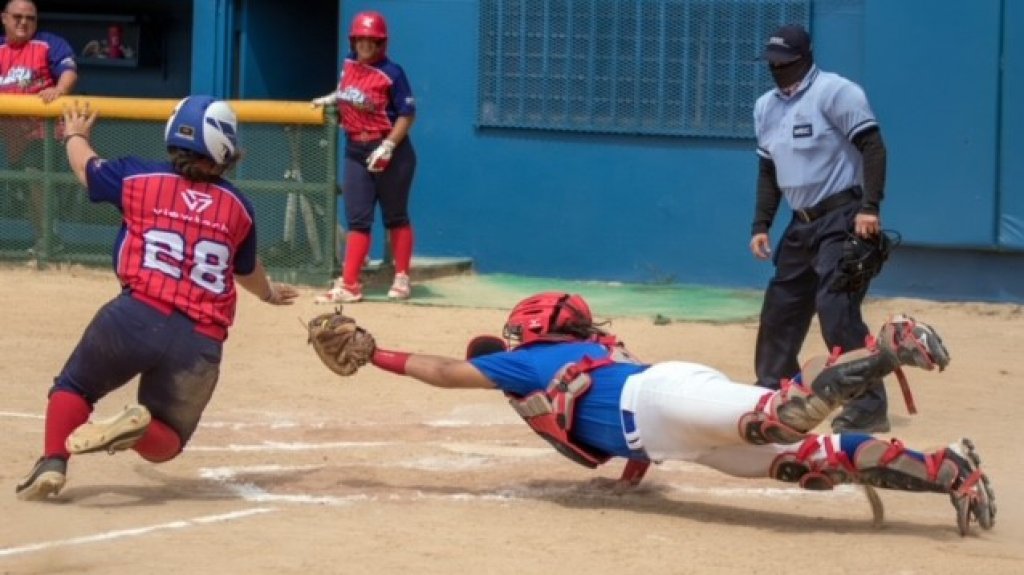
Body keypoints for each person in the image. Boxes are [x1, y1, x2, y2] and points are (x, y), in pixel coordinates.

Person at [322, 292, 995, 535]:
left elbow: (444, 371)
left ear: (533, 330)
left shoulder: (527, 362)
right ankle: (949, 471)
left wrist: (377, 353)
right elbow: (610, 426)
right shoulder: (579, 354)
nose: (508, 346)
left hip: (663, 398)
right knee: (804, 462)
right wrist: (633, 471)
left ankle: (887, 344)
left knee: (780, 416)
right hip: (672, 434)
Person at [14, 96, 300, 501]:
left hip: (135, 315)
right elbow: (245, 270)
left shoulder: (137, 176)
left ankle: (53, 462)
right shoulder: (240, 208)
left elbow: (85, 168)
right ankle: (139, 431)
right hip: (200, 340)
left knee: (74, 387)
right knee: (169, 439)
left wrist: (75, 135)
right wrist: (268, 293)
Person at [749, 24, 892, 433]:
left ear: (805, 58)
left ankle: (868, 405)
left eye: (785, 63)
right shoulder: (765, 107)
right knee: (781, 308)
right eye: (772, 63)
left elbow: (873, 147)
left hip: (842, 216)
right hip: (801, 222)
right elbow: (768, 170)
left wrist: (870, 207)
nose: (777, 70)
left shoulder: (836, 93)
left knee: (836, 308)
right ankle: (776, 389)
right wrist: (761, 223)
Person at [311, 10, 417, 303]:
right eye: (360, 39)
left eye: (372, 40)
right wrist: (333, 98)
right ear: (353, 41)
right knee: (357, 218)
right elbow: (348, 90)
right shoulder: (349, 63)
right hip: (355, 149)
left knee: (395, 215)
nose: (365, 45)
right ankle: (350, 285)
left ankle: (402, 277)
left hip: (390, 150)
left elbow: (407, 114)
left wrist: (389, 146)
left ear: (381, 43)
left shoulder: (392, 72)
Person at [0, 0, 78, 255]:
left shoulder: (48, 43)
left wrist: (59, 89)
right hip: (13, 135)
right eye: (17, 16)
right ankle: (44, 240)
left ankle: (49, 241)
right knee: (24, 188)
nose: (24, 22)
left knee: (36, 179)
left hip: (43, 132)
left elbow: (68, 71)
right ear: (4, 18)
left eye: (30, 18)